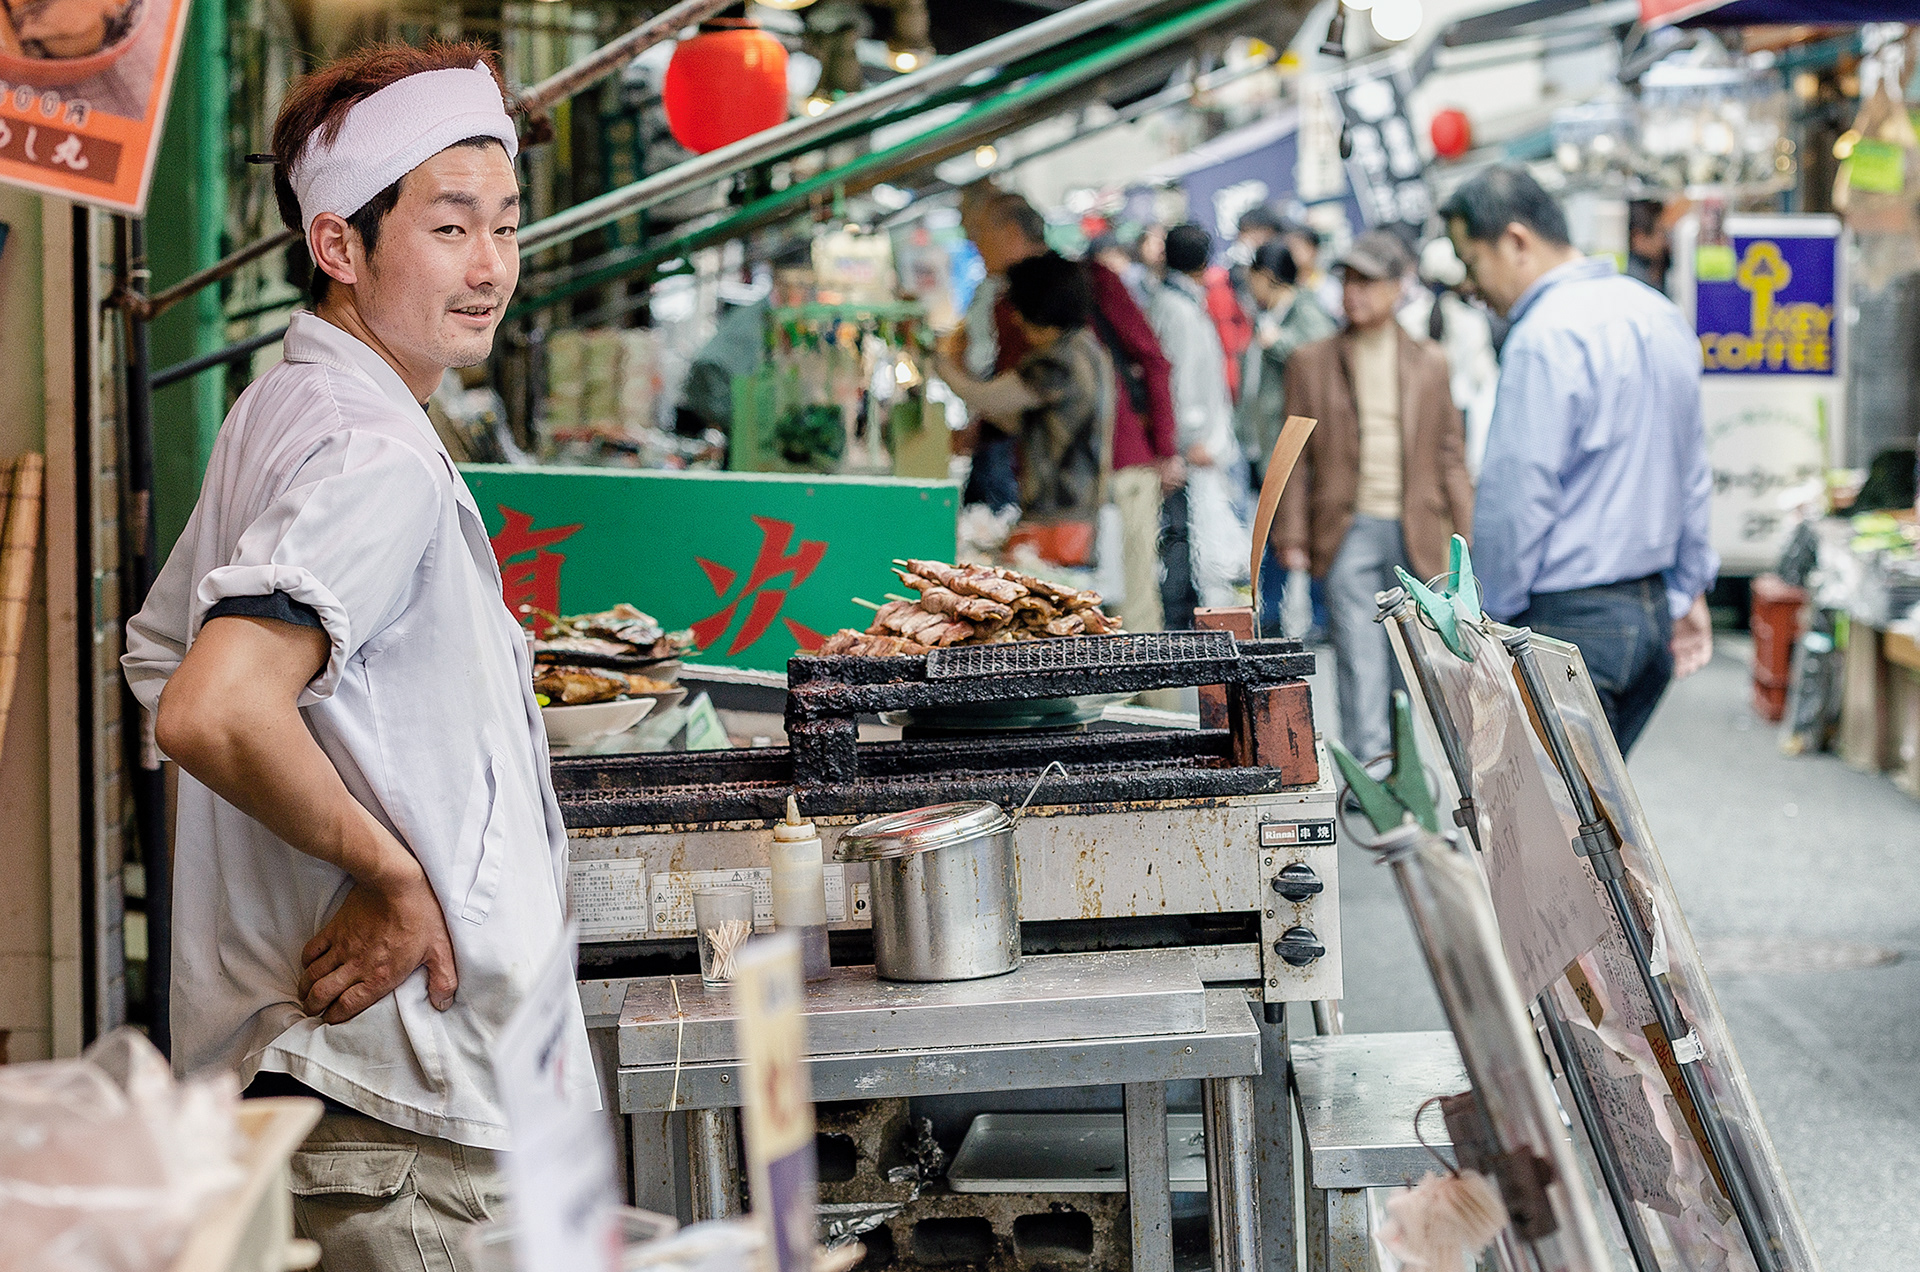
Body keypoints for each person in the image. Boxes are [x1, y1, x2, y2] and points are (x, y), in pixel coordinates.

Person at [121, 43, 593, 1270]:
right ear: (340, 246)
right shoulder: (366, 452)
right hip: (402, 1107)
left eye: (505, 225)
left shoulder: (288, 406)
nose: (491, 267)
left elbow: (157, 655)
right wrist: (388, 873)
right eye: (448, 228)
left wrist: (273, 901)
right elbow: (211, 709)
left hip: (330, 1086)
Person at [1441, 165, 1716, 753]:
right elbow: (1692, 470)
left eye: (1473, 262)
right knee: (1596, 825)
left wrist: (1487, 617)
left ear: (1515, 242)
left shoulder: (1542, 335)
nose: (1473, 285)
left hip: (1569, 624)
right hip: (1647, 616)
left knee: (1560, 833)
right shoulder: (1658, 313)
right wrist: (1688, 590)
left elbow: (1518, 494)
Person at [1275, 229, 1475, 762]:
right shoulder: (1310, 361)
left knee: (1409, 660)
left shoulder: (1430, 362)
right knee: (1357, 655)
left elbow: (1451, 454)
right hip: (1347, 528)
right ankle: (1371, 765)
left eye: (1367, 282)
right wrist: (1291, 535)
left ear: (1398, 288)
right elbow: (1295, 458)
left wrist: (1466, 538)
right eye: (1347, 280)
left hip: (1419, 529)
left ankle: (1404, 763)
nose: (1353, 293)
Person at [940, 193, 1182, 631]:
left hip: (1120, 468)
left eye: (978, 236)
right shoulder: (1005, 301)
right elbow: (1018, 393)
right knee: (1081, 611)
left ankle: (1143, 701)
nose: (974, 247)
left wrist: (1165, 449)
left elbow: (1151, 358)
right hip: (1055, 482)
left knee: (1131, 610)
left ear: (1011, 232)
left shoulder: (1090, 283)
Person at [1149, 223, 1250, 620]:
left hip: (1192, 439)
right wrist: (1188, 438)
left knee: (1186, 531)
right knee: (1182, 533)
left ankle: (1188, 610)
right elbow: (1182, 382)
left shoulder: (1176, 302)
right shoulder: (1179, 308)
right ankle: (1183, 616)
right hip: (1191, 444)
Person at [1237, 239, 1338, 485]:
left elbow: (1323, 355)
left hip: (1295, 442)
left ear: (1265, 276)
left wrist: (1279, 343)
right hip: (1267, 440)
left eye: (1251, 275)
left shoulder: (1304, 309)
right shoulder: (1267, 314)